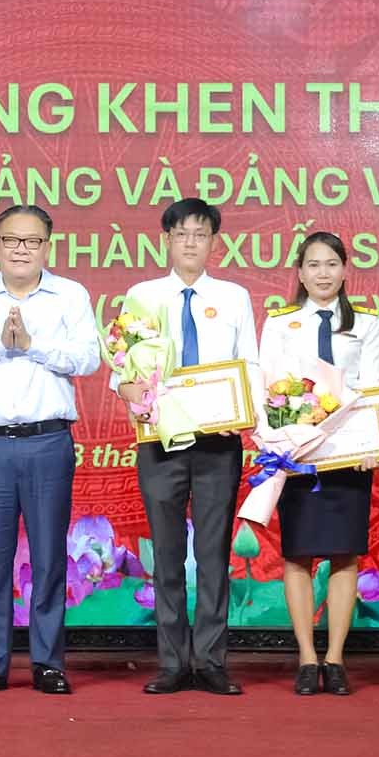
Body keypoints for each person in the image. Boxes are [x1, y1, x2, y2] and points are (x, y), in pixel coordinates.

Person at [0, 204, 101, 695]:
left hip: (49, 440)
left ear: (47, 246)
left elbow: (89, 358)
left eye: (32, 241)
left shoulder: (70, 295)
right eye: (12, 240)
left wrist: (31, 345)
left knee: (50, 556)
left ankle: (48, 663)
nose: (21, 250)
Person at [117, 199, 261, 696]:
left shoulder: (234, 296)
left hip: (218, 442)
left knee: (214, 553)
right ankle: (173, 662)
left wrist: (245, 413)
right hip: (161, 441)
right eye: (182, 234)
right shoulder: (142, 296)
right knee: (167, 553)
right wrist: (129, 390)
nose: (191, 243)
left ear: (214, 242)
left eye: (200, 234)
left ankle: (212, 660)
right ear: (167, 240)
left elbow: (249, 363)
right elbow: (123, 365)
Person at [256, 230, 379, 697]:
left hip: (349, 456)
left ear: (345, 269)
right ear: (300, 272)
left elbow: (372, 387)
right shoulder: (280, 323)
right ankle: (307, 659)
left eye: (331, 264)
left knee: (345, 554)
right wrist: (276, 446)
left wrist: (373, 443)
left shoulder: (365, 323)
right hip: (300, 455)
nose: (323, 273)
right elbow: (267, 387)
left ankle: (336, 659)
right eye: (313, 265)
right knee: (298, 554)